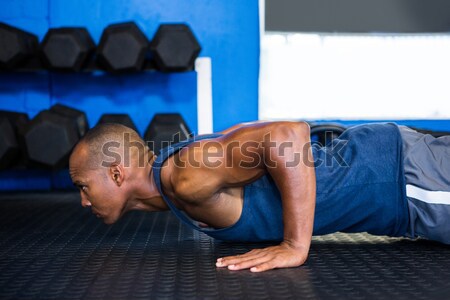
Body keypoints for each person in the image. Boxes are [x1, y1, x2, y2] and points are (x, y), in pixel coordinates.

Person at [69, 121, 450, 272]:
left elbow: (286, 135)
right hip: (399, 179)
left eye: (83, 186)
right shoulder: (178, 184)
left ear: (117, 173)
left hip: (403, 179)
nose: (84, 201)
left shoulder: (185, 175)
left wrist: (294, 245)